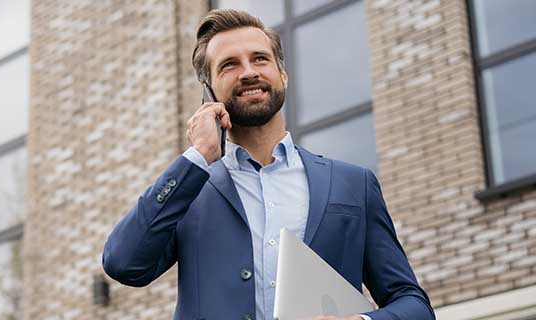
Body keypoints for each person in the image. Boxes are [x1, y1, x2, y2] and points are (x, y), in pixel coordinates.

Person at [102, 9, 434, 320]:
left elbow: (412, 303)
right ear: (209, 90)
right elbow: (123, 263)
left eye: (259, 58)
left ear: (283, 75)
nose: (248, 72)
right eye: (229, 65)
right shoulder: (191, 188)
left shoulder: (353, 184)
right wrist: (198, 155)